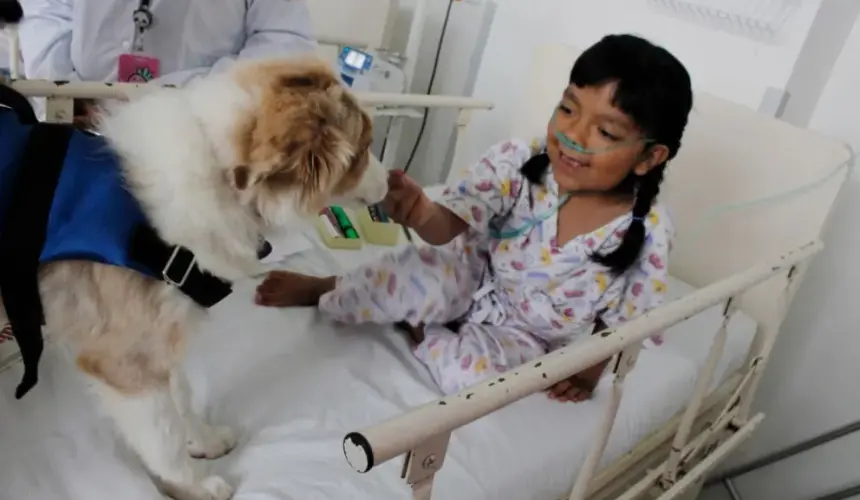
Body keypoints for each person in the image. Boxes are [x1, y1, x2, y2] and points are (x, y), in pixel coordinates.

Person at [255, 34, 694, 403]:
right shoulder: (520, 163)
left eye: (605, 132)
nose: (572, 135)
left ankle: (422, 329)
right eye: (568, 108)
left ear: (649, 157)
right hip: (469, 271)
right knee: (412, 278)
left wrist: (586, 376)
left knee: (479, 386)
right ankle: (329, 288)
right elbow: (447, 225)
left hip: (525, 333)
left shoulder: (647, 233)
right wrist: (420, 211)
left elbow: (619, 326)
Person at [18, 0, 317, 120]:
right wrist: (66, 92)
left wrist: (182, 101)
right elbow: (44, 10)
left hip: (200, 137)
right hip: (79, 122)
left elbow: (286, 43)